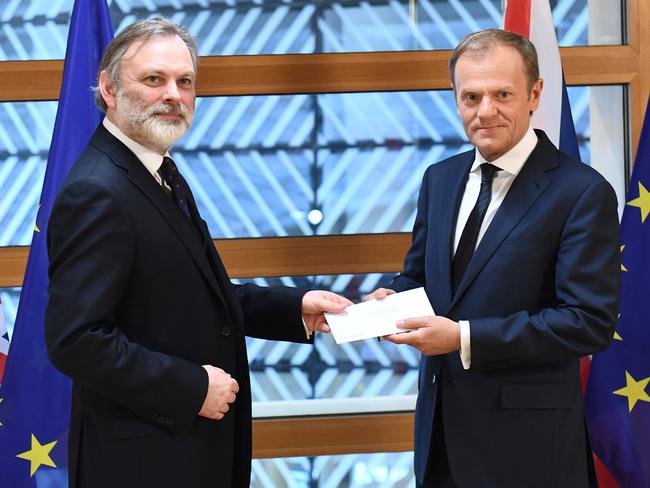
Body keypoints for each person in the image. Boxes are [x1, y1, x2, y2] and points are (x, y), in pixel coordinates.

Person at [44, 18, 351, 488]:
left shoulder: (155, 169)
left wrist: (294, 310)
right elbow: (76, 340)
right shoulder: (97, 190)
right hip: (143, 465)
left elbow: (192, 295)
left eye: (184, 82)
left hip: (185, 454)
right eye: (154, 79)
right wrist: (190, 388)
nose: (174, 94)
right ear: (108, 88)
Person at [368, 29, 619, 487]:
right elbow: (423, 277)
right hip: (440, 438)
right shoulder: (439, 178)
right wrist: (392, 298)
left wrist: (463, 337)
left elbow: (588, 322)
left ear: (535, 94)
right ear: (455, 98)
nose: (486, 111)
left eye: (502, 94)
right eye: (471, 96)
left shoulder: (582, 192)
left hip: (528, 453)